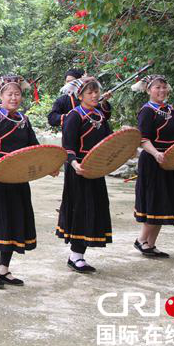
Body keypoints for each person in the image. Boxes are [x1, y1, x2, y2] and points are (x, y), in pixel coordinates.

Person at [0, 75, 45, 288]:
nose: (14, 98)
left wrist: (48, 166)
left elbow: (34, 148)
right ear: (1, 96)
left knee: (14, 222)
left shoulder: (23, 120)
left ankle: (4, 269)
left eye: (17, 94)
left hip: (19, 179)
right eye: (9, 94)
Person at [56, 77, 113, 273]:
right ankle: (75, 255)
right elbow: (68, 146)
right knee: (80, 209)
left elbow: (109, 141)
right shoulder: (74, 115)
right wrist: (74, 163)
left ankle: (80, 253)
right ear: (79, 96)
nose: (95, 95)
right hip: (79, 170)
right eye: (89, 92)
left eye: (96, 91)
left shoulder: (100, 115)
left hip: (96, 169)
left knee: (95, 208)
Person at [131, 75, 174, 258]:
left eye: (164, 87)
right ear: (148, 90)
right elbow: (143, 139)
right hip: (153, 161)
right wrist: (156, 154)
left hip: (169, 161)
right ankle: (141, 240)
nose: (162, 91)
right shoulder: (147, 111)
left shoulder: (171, 110)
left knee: (164, 204)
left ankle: (151, 244)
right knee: (154, 202)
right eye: (157, 87)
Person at [47, 68, 112, 128]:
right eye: (67, 81)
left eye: (72, 81)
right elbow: (51, 119)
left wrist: (104, 102)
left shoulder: (89, 98)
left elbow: (105, 116)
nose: (69, 84)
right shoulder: (62, 100)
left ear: (79, 82)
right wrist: (70, 117)